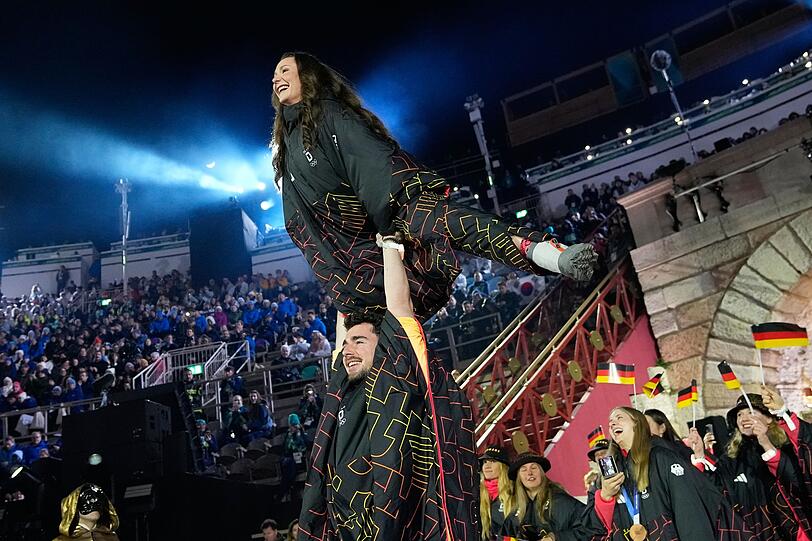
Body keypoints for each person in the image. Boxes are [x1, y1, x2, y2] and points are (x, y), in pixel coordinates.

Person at [271, 52, 598, 330]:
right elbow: (302, 222)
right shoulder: (284, 145)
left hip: (394, 214)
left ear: (308, 75)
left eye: (284, 70)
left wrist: (389, 226)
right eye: (274, 75)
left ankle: (552, 255)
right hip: (353, 257)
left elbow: (370, 161)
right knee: (360, 338)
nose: (276, 78)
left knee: (454, 221)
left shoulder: (332, 114)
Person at [298, 233, 478, 541]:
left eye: (359, 342)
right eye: (346, 344)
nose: (348, 350)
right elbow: (344, 324)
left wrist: (391, 249)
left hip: (397, 522)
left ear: (385, 347)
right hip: (350, 528)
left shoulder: (392, 379)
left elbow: (399, 310)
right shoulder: (340, 389)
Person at [591, 406, 727, 541]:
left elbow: (689, 513)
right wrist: (605, 497)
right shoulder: (611, 471)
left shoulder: (661, 457)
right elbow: (592, 529)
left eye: (619, 418)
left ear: (637, 424)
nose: (612, 423)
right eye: (610, 422)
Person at [692, 392, 811, 540]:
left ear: (768, 418)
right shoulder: (732, 458)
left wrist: (766, 445)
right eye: (739, 415)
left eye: (751, 412)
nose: (744, 419)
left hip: (794, 533)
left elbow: (797, 481)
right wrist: (699, 456)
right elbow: (716, 490)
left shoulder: (787, 446)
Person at [497, 453, 601, 541]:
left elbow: (591, 529)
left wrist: (555, 537)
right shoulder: (514, 514)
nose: (529, 473)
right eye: (523, 470)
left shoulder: (562, 502)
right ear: (519, 477)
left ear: (542, 473)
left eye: (534, 467)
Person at [478, 446, 512, 540]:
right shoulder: (477, 493)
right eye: (485, 462)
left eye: (492, 461)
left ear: (503, 466)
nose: (487, 466)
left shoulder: (514, 492)